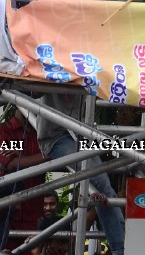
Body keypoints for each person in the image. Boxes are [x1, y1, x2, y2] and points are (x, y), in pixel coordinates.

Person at [34, 93, 125, 255]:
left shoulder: (85, 73)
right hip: (57, 138)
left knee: (103, 188)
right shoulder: (57, 69)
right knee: (102, 185)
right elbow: (33, 92)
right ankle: (120, 249)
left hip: (79, 135)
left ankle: (121, 247)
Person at [0, 109, 47, 251]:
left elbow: (64, 160)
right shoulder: (3, 131)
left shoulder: (42, 132)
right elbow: (10, 163)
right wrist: (46, 157)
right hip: (8, 212)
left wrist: (23, 157)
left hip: (33, 211)